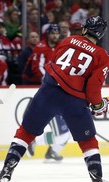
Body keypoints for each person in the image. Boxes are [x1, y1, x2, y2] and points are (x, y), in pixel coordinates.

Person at [0, 16, 109, 182]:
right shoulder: (103, 56)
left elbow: (55, 65)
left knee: (25, 133)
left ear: (86, 29)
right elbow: (93, 90)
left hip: (47, 92)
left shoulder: (67, 40)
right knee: (88, 142)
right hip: (73, 101)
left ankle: (6, 172)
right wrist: (99, 105)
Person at [26, 24, 71, 161]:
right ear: (48, 34)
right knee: (63, 133)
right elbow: (37, 67)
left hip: (59, 89)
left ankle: (52, 151)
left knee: (67, 131)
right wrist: (50, 80)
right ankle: (34, 141)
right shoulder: (41, 47)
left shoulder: (61, 46)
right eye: (53, 33)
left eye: (57, 33)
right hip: (49, 89)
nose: (55, 35)